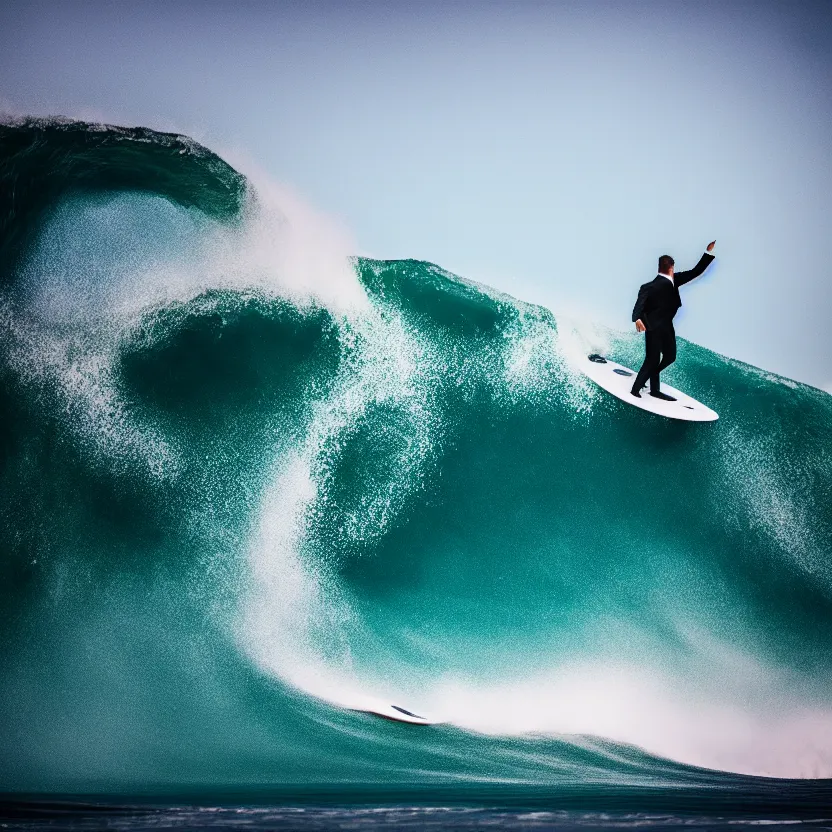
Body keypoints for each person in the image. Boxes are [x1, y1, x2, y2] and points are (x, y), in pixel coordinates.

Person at [630, 241, 716, 400]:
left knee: (670, 357)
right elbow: (638, 307)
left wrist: (707, 252)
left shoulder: (671, 281)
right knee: (652, 360)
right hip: (653, 328)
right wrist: (637, 319)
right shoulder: (649, 286)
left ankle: (652, 385)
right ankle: (636, 390)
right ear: (672, 267)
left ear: (659, 267)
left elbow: (695, 272)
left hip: (667, 327)